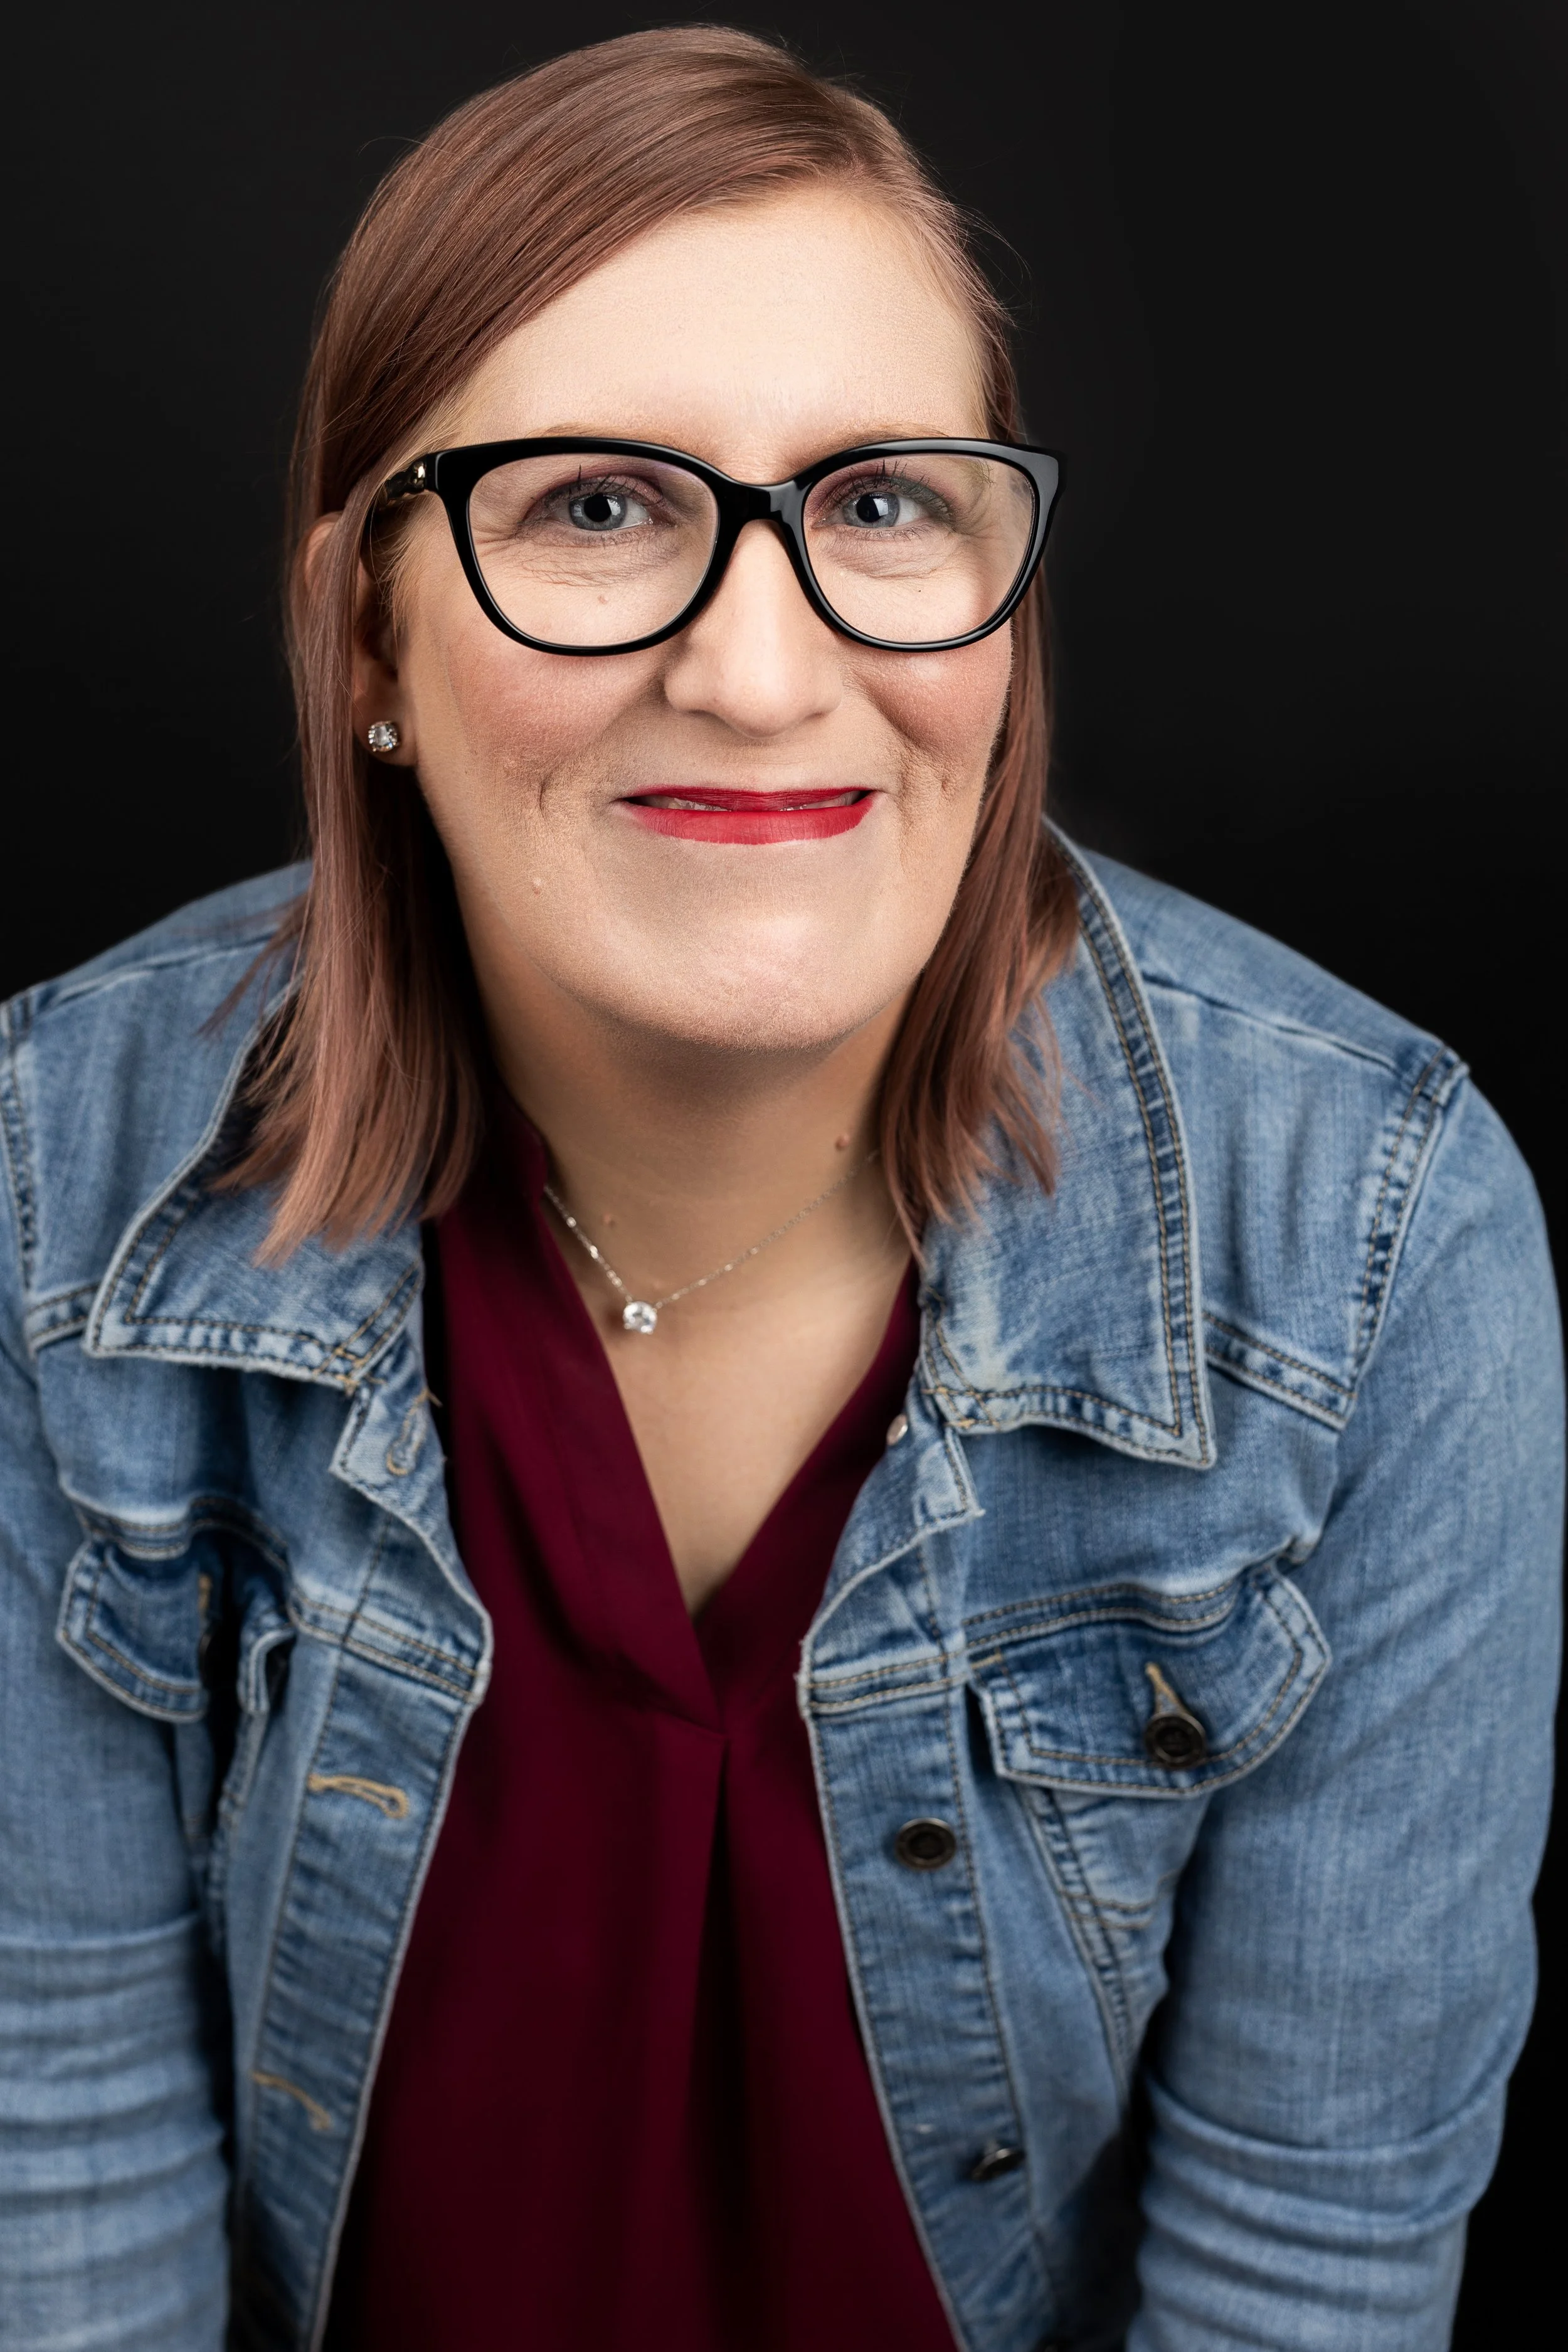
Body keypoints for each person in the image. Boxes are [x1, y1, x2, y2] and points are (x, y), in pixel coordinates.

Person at [0, 26, 1558, 2352]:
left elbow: (1306, 2269)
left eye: (881, 504)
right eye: (592, 508)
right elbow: (62, 2189)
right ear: (366, 634)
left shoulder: (1370, 1234)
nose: (755, 669)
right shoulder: (55, 1175)